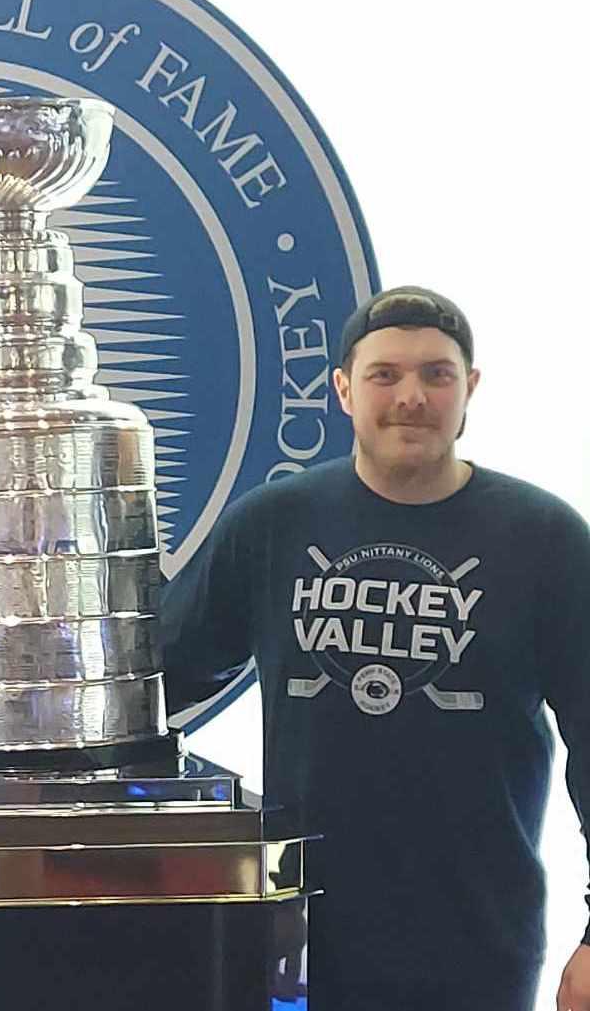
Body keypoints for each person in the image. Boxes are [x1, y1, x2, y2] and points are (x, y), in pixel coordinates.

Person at [160, 287, 590, 1011]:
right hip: (301, 933)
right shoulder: (270, 527)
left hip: (482, 934)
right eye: (385, 374)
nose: (411, 397)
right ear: (343, 390)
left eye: (437, 374)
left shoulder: (546, 539)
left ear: (470, 387)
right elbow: (154, 685)